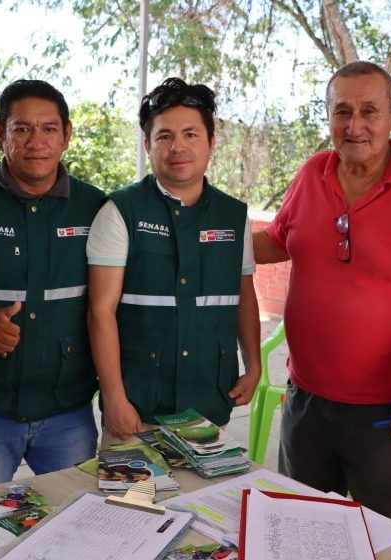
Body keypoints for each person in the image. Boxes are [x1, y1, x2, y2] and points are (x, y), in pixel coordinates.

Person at [253, 61, 391, 526]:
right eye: (341, 111)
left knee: (376, 538)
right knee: (300, 532)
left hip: (386, 410)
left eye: (369, 110)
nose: (355, 125)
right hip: (305, 399)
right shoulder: (312, 172)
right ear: (327, 116)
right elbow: (275, 242)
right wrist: (207, 238)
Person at [0, 80, 104, 491]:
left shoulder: (97, 208)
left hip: (68, 409)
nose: (37, 141)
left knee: (78, 525)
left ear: (67, 135)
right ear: (0, 133)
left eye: (49, 129)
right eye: (22, 129)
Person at [87, 77, 261, 441]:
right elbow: (100, 312)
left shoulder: (232, 216)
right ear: (148, 144)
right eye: (164, 136)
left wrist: (255, 364)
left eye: (190, 134)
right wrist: (115, 398)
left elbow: (244, 294)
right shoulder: (121, 211)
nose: (177, 147)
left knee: (202, 498)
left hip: (209, 404)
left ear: (211, 142)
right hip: (138, 409)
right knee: (132, 498)